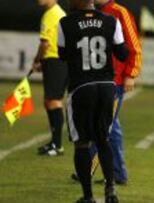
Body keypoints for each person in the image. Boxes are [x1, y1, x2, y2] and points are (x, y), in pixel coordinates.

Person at [57, 0, 128, 202]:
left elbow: (62, 55)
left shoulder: (65, 22)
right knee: (103, 140)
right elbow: (122, 54)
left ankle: (88, 197)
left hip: (81, 87)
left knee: (82, 143)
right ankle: (111, 190)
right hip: (107, 86)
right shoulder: (111, 21)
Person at [71, 0, 142, 185]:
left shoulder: (120, 12)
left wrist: (131, 74)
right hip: (97, 79)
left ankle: (95, 170)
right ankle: (114, 173)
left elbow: (134, 45)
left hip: (115, 81)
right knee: (108, 125)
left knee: (106, 127)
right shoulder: (93, 12)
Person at [33, 0, 67, 156]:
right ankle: (55, 142)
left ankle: (57, 144)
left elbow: (45, 44)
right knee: (51, 101)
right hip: (58, 60)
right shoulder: (59, 12)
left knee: (53, 101)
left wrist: (37, 60)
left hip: (55, 60)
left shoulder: (50, 14)